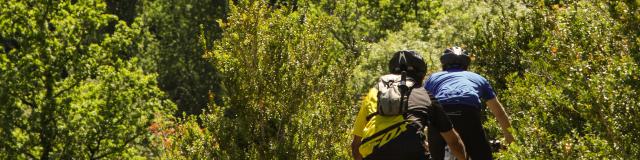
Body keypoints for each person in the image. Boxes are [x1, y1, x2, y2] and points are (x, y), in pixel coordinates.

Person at [351, 50, 467, 160]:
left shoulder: (372, 93)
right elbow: (453, 142)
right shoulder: (425, 95)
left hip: (373, 154)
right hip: (411, 152)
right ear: (420, 74)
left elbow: (356, 145)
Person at [425, 47, 514, 160]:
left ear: (444, 64)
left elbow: (423, 106)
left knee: (435, 156)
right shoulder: (478, 78)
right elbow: (499, 112)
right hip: (467, 113)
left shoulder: (433, 77)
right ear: (466, 65)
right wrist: (509, 136)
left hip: (441, 112)